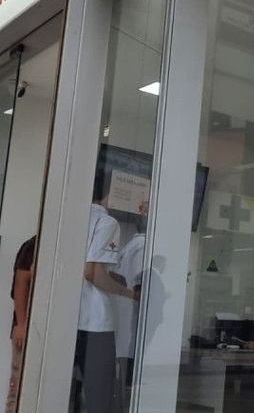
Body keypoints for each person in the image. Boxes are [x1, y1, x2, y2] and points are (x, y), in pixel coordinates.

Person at [70, 170, 139, 413]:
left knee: (67, 394)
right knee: (100, 398)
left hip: (70, 321)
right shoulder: (107, 222)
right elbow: (93, 273)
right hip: (96, 324)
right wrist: (129, 293)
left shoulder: (72, 218)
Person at [111, 215, 146, 413]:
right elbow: (140, 285)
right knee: (131, 389)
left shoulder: (129, 246)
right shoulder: (143, 246)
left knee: (123, 384)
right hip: (133, 330)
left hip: (124, 329)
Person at [5, 236, 35, 413]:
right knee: (17, 392)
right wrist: (22, 325)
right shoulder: (33, 245)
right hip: (26, 330)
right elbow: (20, 283)